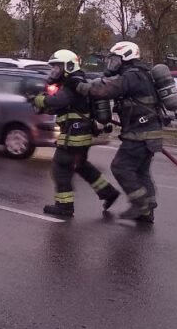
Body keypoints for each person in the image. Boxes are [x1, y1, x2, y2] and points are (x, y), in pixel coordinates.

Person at [72, 41, 163, 222]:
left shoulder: (131, 76)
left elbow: (106, 92)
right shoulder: (143, 74)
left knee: (120, 167)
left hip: (139, 134)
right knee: (140, 172)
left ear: (126, 58)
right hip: (150, 133)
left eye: (115, 60)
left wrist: (81, 87)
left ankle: (140, 204)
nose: (112, 64)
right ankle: (146, 213)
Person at [32, 49, 120, 218]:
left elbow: (60, 100)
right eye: (54, 68)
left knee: (60, 167)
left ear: (69, 66)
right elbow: (63, 106)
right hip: (82, 135)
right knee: (81, 166)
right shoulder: (79, 81)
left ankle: (64, 206)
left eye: (57, 67)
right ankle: (108, 192)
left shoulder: (72, 82)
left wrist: (40, 99)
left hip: (74, 136)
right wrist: (45, 105)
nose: (54, 71)